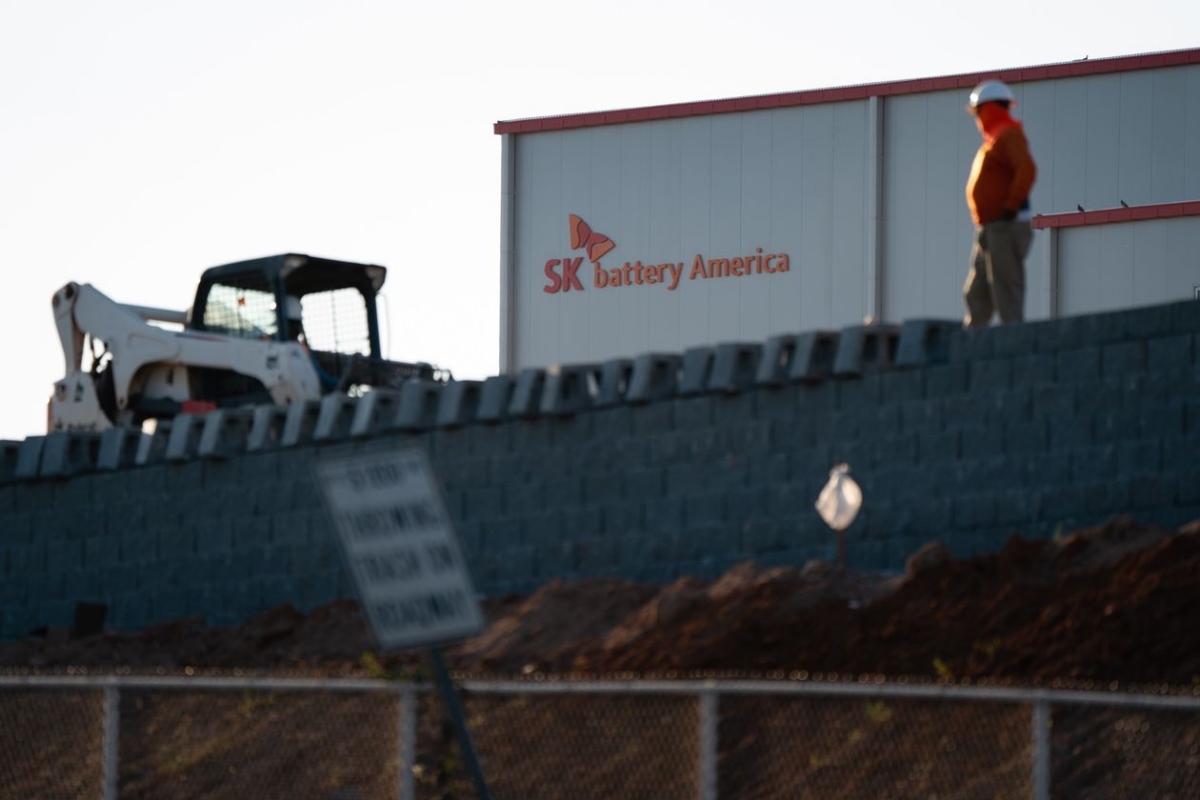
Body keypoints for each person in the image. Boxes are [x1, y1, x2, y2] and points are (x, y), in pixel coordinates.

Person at [963, 80, 1037, 327]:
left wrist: (1010, 207)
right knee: (977, 294)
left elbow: (1026, 170)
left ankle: (1014, 347)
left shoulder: (1008, 134)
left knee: (1007, 293)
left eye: (978, 112)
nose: (977, 118)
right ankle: (971, 347)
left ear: (989, 108)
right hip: (991, 227)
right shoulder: (995, 138)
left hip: (1006, 226)